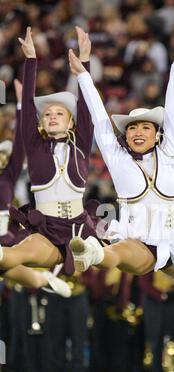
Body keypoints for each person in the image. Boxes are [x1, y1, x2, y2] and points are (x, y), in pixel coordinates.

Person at [67, 33, 174, 298]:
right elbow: (99, 118)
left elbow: (173, 111)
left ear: (157, 134)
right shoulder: (117, 158)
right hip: (138, 238)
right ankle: (91, 252)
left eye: (145, 127)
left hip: (173, 237)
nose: (138, 132)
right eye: (132, 128)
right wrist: (83, 75)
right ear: (126, 135)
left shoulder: (169, 153)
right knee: (117, 254)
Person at [0, 26, 97, 280]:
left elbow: (87, 110)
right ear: (41, 122)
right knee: (14, 254)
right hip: (46, 228)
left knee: (103, 254)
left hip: (79, 227)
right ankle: (42, 280)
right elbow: (28, 110)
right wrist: (31, 60)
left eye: (60, 113)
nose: (53, 117)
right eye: (48, 114)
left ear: (71, 122)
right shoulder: (33, 145)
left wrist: (84, 63)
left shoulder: (82, 144)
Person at [0, 77, 70, 297]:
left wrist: (23, 106)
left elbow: (21, 143)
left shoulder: (7, 176)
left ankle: (42, 279)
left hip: (3, 239)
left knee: (13, 269)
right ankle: (44, 279)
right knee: (12, 272)